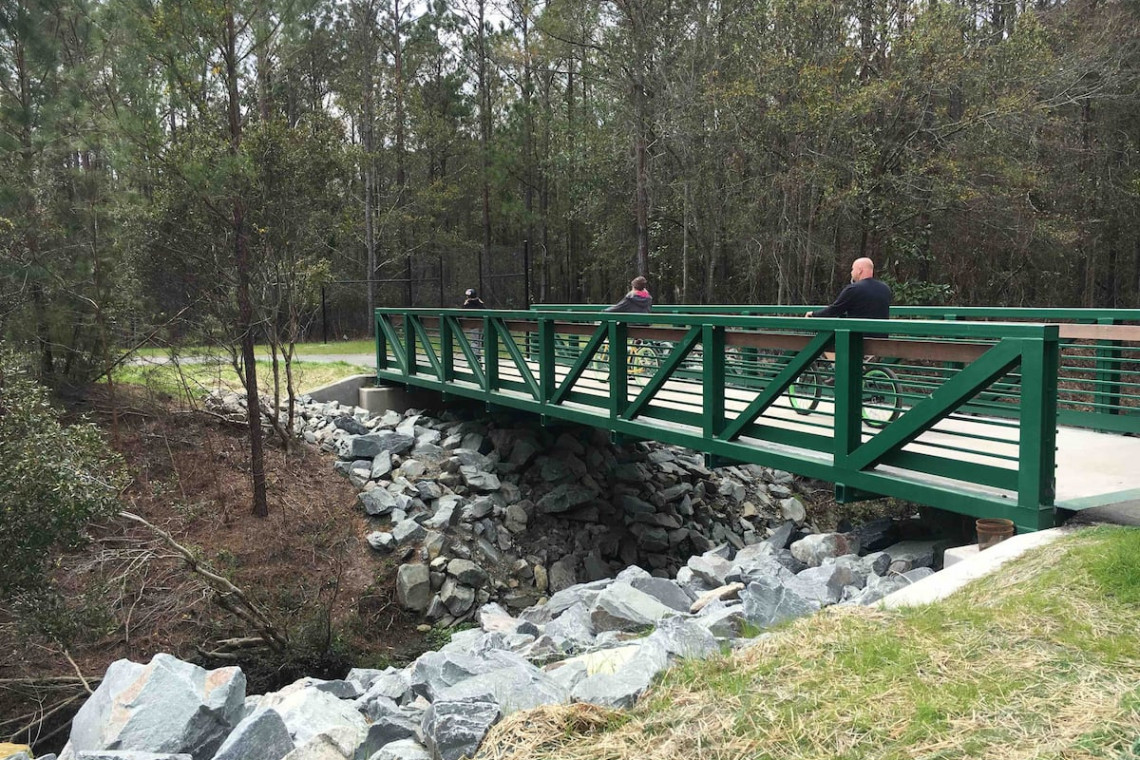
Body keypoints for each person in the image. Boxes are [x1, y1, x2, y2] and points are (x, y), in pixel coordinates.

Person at [806, 257, 891, 361]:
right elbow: (867, 311)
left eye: (852, 269)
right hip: (881, 338)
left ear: (860, 270)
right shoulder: (885, 289)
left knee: (824, 340)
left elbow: (834, 310)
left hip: (858, 340)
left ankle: (839, 369)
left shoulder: (854, 289)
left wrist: (813, 315)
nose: (851, 272)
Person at [461, 288, 485, 360]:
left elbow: (463, 311)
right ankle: (477, 356)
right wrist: (481, 303)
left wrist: (464, 304)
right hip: (481, 323)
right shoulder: (479, 303)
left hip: (474, 324)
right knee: (478, 340)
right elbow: (483, 309)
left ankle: (476, 357)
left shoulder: (468, 304)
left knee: (475, 340)